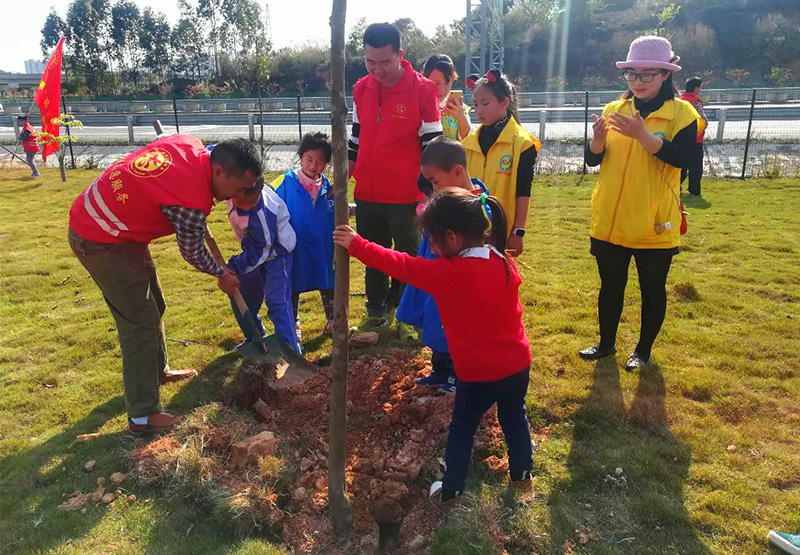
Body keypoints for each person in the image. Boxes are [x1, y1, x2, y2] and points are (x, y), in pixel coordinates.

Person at [333, 189, 534, 511]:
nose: (431, 248)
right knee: (514, 418)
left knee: (462, 428)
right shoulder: (501, 259)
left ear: (452, 237)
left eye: (432, 241)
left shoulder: (450, 273)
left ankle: (452, 491)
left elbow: (401, 265)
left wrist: (357, 245)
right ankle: (523, 478)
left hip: (478, 373)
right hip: (517, 364)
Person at [68, 135, 259, 434]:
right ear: (219, 171)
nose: (238, 196)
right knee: (140, 323)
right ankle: (143, 415)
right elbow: (193, 253)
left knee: (155, 304)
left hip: (118, 226)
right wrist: (221, 275)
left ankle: (157, 371)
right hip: (99, 237)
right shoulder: (191, 204)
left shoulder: (190, 144)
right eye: (238, 189)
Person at [580, 36, 705, 371]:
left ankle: (643, 351)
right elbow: (593, 161)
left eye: (646, 75)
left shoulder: (682, 114)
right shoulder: (614, 110)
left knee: (652, 289)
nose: (638, 82)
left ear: (665, 75)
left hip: (653, 222)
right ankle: (606, 345)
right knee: (610, 287)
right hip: (611, 219)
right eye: (632, 74)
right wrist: (595, 142)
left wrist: (644, 137)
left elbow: (683, 159)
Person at [347, 22, 442, 337]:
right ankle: (375, 313)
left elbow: (432, 145)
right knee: (371, 253)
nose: (377, 70)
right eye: (370, 62)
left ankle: (410, 315)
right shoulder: (361, 88)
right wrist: (346, 175)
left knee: (409, 258)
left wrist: (430, 192)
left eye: (384, 62)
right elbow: (355, 139)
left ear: (400, 55)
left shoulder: (423, 90)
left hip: (406, 196)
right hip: (367, 193)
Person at [396, 136, 488, 394]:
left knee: (456, 330)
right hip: (436, 281)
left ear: (458, 173)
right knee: (437, 326)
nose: (433, 189)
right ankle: (440, 372)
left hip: (458, 286)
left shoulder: (476, 207)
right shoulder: (444, 202)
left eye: (435, 182)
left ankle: (459, 376)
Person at [462, 69, 541, 256]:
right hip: (470, 231)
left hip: (502, 232)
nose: (478, 110)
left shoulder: (523, 144)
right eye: (475, 104)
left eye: (485, 103)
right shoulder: (468, 143)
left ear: (504, 102)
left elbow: (523, 192)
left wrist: (518, 232)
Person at [226, 174, 300, 354]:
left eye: (252, 203)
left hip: (277, 255)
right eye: (242, 203)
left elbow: (261, 250)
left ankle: (291, 350)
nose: (247, 208)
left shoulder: (263, 215)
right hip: (252, 249)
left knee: (277, 302)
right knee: (240, 294)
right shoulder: (232, 185)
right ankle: (254, 336)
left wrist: (234, 266)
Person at [273, 132, 335, 339]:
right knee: (291, 284)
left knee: (328, 281)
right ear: (301, 156)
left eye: (320, 162)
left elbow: (337, 210)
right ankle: (293, 325)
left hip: (322, 246)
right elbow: (267, 208)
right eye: (309, 159)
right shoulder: (284, 183)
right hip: (293, 247)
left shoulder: (329, 187)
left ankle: (334, 321)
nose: (313, 166)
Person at [422, 54, 471, 141]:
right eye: (436, 83)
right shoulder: (416, 105)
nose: (442, 89)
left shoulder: (459, 107)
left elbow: (469, 141)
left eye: (447, 83)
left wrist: (461, 118)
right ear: (425, 79)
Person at [679, 76, 708, 196]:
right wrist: (705, 126)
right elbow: (703, 118)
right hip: (695, 139)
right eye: (700, 87)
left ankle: (675, 185)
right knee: (695, 166)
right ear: (696, 88)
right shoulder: (695, 101)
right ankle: (694, 191)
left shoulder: (679, 100)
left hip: (680, 138)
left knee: (680, 165)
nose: (701, 89)